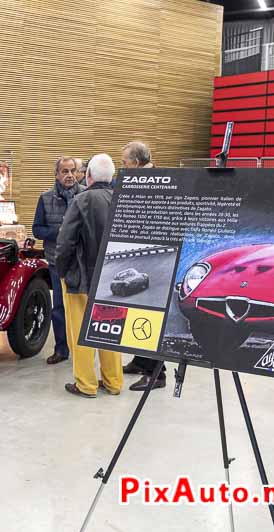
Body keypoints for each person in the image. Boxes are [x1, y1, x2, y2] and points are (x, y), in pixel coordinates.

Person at [56, 153, 123, 398]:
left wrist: (61, 271)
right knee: (110, 328)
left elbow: (65, 242)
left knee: (81, 332)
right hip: (114, 279)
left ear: (89, 176)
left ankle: (86, 384)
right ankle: (114, 382)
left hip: (81, 279)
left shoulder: (81, 200)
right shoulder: (122, 200)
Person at [119, 141, 166, 391]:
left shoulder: (158, 181)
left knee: (150, 314)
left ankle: (157, 373)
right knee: (136, 311)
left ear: (137, 163)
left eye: (125, 162)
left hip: (153, 255)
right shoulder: (141, 180)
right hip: (138, 252)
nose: (122, 167)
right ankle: (140, 360)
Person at [32, 156, 85, 365]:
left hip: (81, 262)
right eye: (65, 171)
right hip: (57, 263)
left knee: (82, 308)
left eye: (73, 171)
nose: (70, 175)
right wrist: (61, 232)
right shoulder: (45, 198)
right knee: (59, 308)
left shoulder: (85, 195)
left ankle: (83, 351)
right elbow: (37, 230)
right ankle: (61, 349)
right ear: (56, 174)